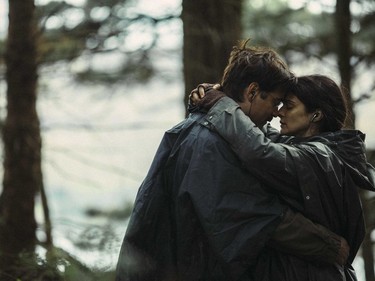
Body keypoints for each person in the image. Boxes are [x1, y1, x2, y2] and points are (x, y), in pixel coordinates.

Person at [115, 41, 350, 281]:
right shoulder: (213, 143)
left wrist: (216, 101)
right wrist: (330, 246)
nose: (275, 113)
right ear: (252, 92)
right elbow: (255, 215)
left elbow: (262, 147)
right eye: (275, 102)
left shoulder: (201, 130)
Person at [190, 74, 375, 280]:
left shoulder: (319, 156)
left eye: (289, 106)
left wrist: (220, 103)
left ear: (316, 115)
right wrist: (221, 96)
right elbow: (258, 132)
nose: (279, 112)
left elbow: (259, 151)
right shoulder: (305, 147)